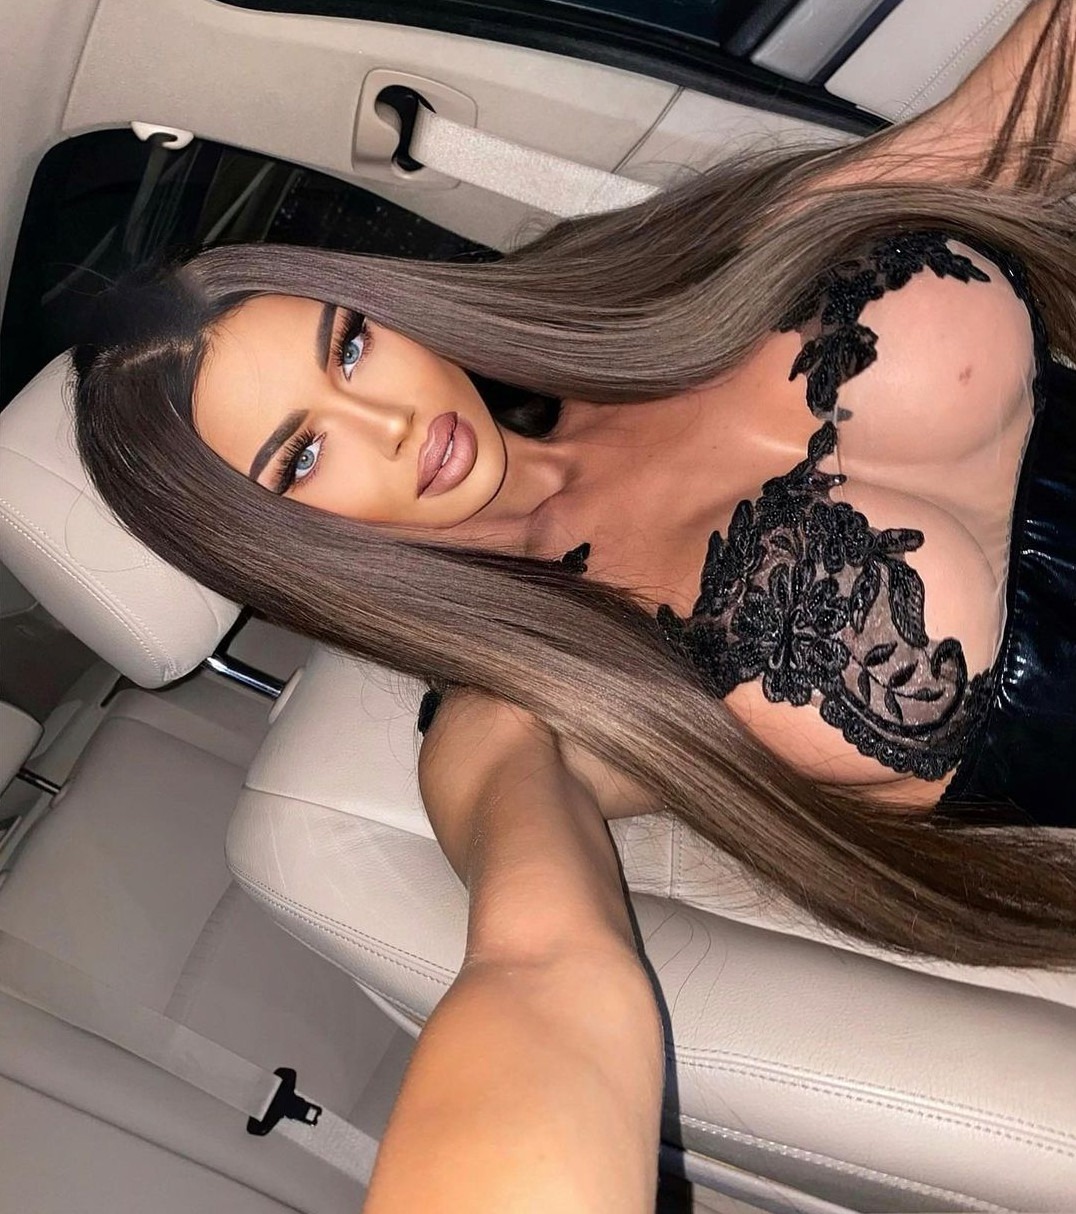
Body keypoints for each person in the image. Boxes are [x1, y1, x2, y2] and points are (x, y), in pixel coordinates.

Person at [74, 0, 1075, 997]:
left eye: (350, 346)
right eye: (299, 459)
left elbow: (991, 135)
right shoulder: (519, 700)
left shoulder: (629, 286)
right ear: (273, 542)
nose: (389, 421)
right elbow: (536, 956)